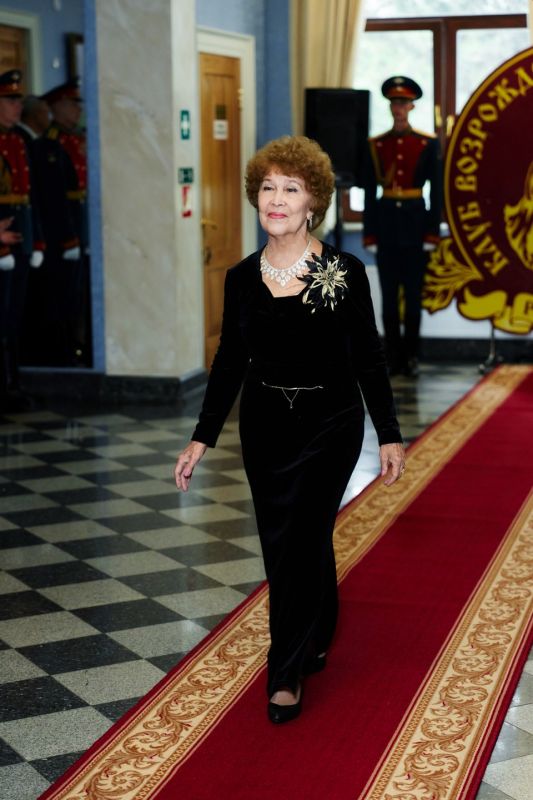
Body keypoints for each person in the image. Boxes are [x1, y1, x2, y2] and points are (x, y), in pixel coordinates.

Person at [174, 136, 405, 724]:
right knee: (288, 539)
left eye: (291, 189)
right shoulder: (241, 277)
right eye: (268, 188)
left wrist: (388, 433)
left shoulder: (344, 273)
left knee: (300, 537)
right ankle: (319, 628)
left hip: (331, 423)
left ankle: (284, 671)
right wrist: (201, 437)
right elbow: (230, 361)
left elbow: (369, 357)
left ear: (313, 203)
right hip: (266, 425)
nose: (276, 200)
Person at [363, 76, 442, 377]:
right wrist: (370, 232)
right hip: (386, 227)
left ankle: (411, 356)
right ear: (390, 107)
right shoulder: (376, 145)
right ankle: (392, 357)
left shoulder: (426, 143)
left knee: (412, 297)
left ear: (412, 106)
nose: (398, 108)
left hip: (415, 226)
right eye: (394, 103)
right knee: (388, 297)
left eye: (403, 103)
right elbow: (369, 193)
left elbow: (436, 193)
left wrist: (431, 232)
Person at [0, 70, 44, 410]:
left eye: (18, 100)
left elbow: (30, 197)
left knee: (13, 319)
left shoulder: (17, 140)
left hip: (20, 240)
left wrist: (36, 240)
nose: (18, 106)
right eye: (11, 100)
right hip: (2, 243)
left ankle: (12, 384)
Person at [37, 77, 89, 365]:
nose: (78, 109)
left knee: (80, 293)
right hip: (63, 230)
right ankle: (64, 351)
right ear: (56, 106)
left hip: (81, 223)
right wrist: (69, 236)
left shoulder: (78, 138)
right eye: (73, 103)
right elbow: (55, 197)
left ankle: (78, 346)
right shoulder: (51, 142)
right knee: (63, 294)